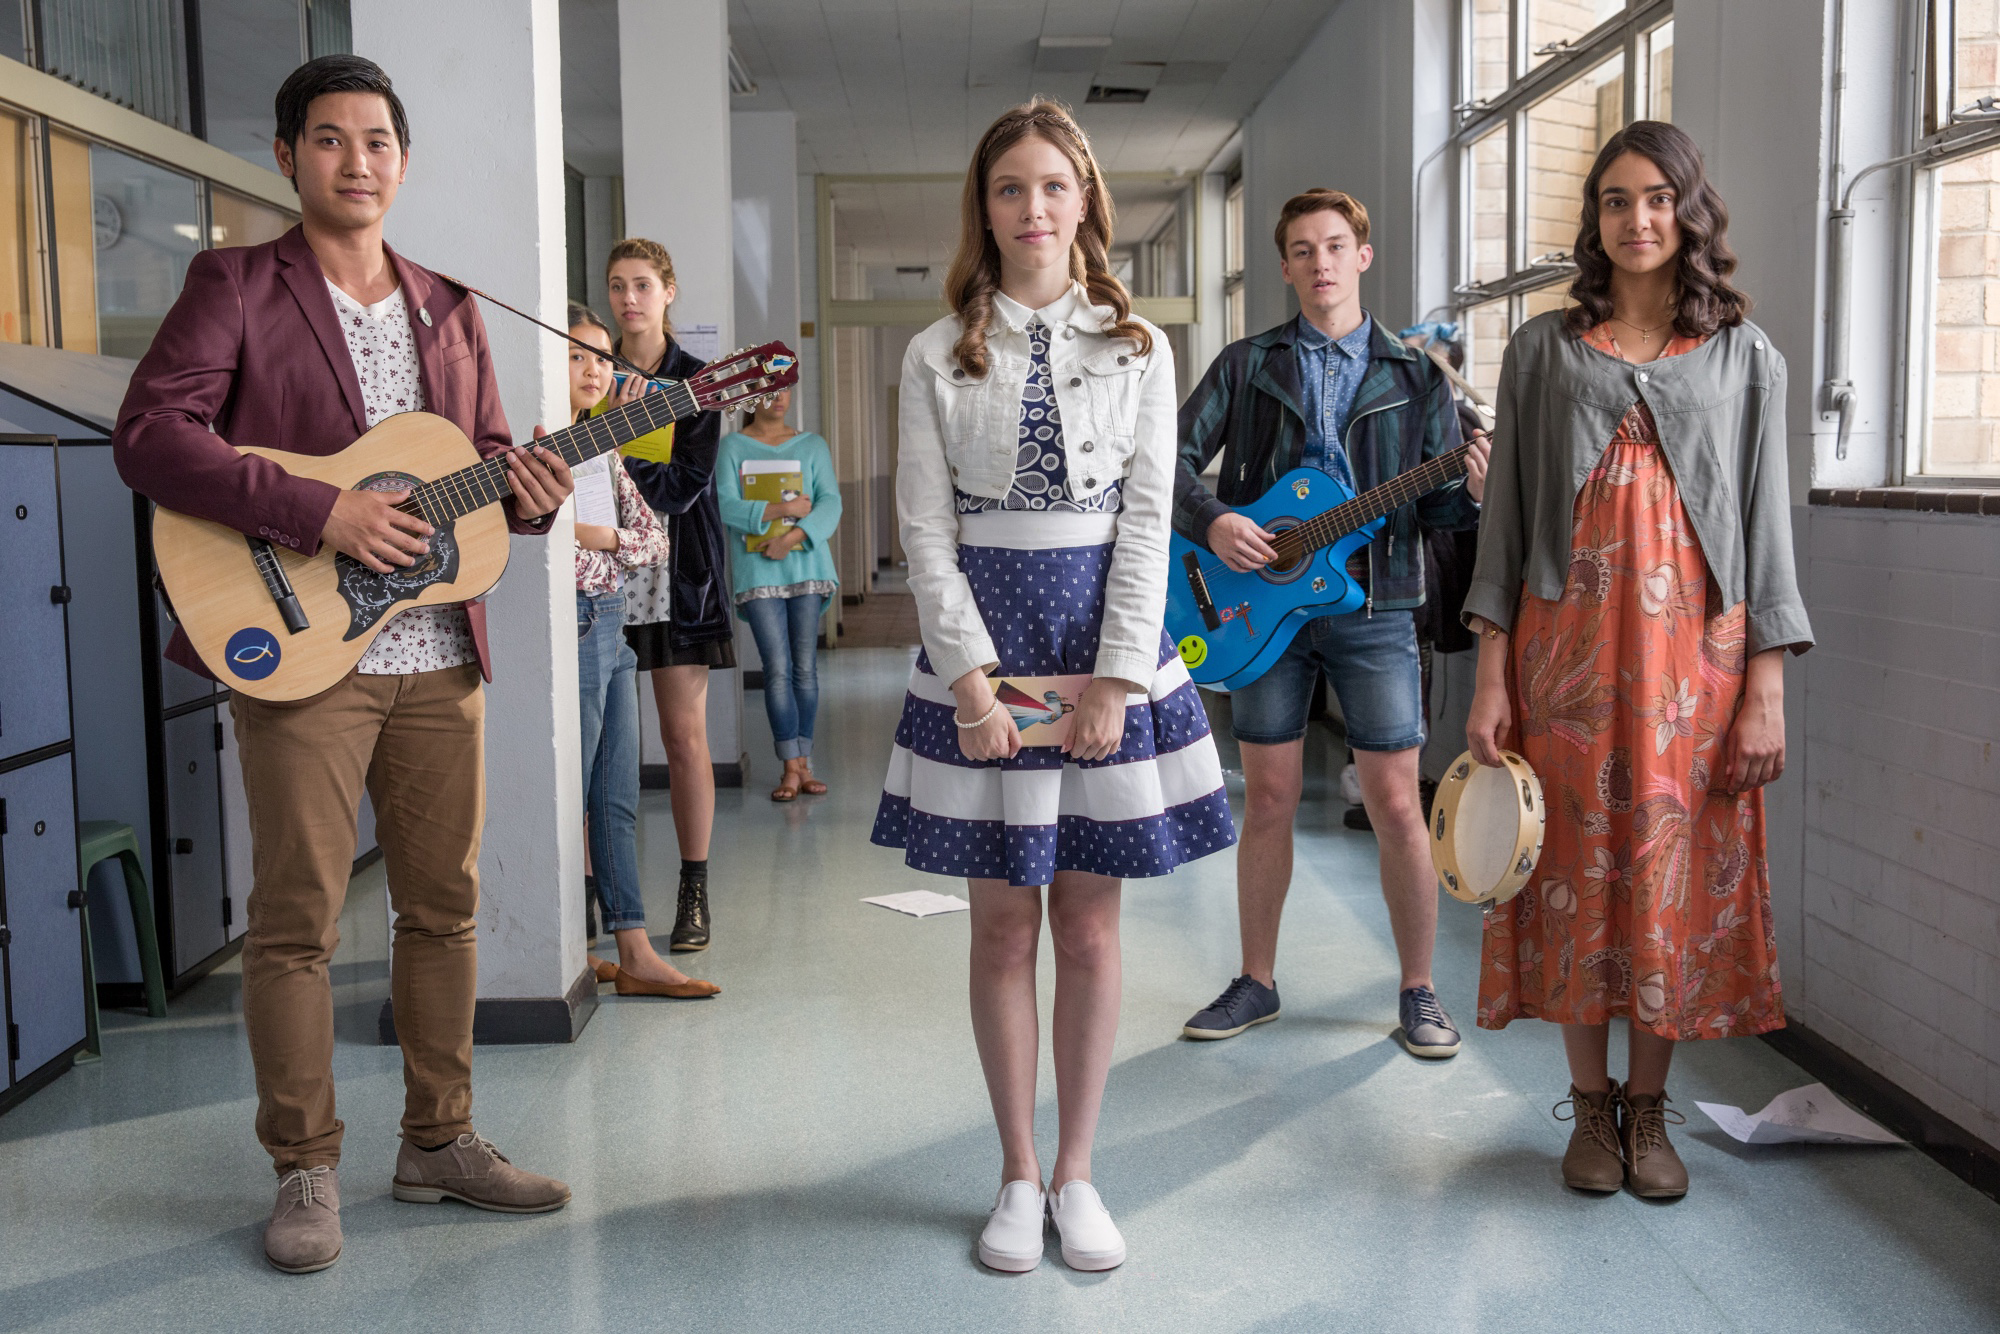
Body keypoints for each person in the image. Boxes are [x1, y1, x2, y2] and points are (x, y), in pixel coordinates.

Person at [112, 56, 575, 1275]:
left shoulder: (451, 303)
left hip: (436, 653)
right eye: (329, 139)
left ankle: (441, 1139)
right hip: (306, 649)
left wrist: (525, 494)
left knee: (443, 909)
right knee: (297, 922)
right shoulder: (234, 284)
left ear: (402, 161)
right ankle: (303, 1164)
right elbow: (151, 435)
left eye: (377, 140)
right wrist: (322, 510)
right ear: (287, 157)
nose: (356, 160)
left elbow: (466, 466)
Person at [872, 99, 1235, 1274]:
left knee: (1084, 920)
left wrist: (1117, 679)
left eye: (1052, 187)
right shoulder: (932, 352)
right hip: (985, 641)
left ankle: (1078, 1171)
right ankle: (1015, 1171)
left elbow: (1144, 526)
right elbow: (923, 533)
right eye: (1008, 188)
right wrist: (969, 682)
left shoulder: (1138, 346)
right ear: (982, 209)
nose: (1032, 209)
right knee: (995, 925)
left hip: (1099, 638)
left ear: (1084, 204)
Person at [1462, 121, 1811, 1199]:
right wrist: (1488, 671)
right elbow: (1507, 522)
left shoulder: (1744, 354)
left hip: (1692, 667)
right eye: (1615, 200)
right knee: (1565, 865)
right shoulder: (1541, 348)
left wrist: (1764, 683)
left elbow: (1763, 528)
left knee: (1664, 878)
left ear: (1688, 209)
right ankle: (1588, 1106)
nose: (1637, 218)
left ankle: (1647, 1109)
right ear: (1594, 220)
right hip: (1560, 655)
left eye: (1657, 197)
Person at [1173, 189, 1490, 1056]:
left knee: (1395, 802)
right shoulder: (1246, 366)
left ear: (1364, 256)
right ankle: (1257, 981)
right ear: (1285, 266)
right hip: (1261, 607)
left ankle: (1419, 992)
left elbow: (1446, 520)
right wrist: (1214, 523)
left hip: (1378, 607)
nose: (1321, 262)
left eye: (1336, 245)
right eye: (1303, 250)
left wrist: (1475, 487)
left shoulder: (1418, 377)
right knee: (1268, 797)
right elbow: (1160, 461)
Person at [565, 303, 721, 1000]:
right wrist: (603, 538)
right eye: (577, 356)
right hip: (569, 627)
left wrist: (599, 538)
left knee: (616, 794)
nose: (594, 369)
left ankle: (632, 946)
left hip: (610, 620)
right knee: (572, 793)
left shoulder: (601, 445)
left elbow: (650, 539)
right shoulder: (542, 443)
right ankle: (577, 941)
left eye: (602, 357)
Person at [601, 238, 728, 954]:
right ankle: (605, 896)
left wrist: (613, 460)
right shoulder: (589, 372)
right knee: (601, 748)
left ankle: (694, 889)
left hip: (678, 577)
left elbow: (685, 487)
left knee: (683, 738)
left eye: (643, 284)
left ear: (669, 291)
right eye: (618, 285)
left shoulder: (697, 383)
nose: (630, 299)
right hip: (606, 571)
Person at [715, 387, 842, 800]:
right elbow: (723, 505)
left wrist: (789, 539)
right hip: (757, 572)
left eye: (786, 387)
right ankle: (789, 765)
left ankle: (804, 764)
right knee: (777, 669)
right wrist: (781, 510)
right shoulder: (732, 447)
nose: (780, 397)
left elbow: (830, 503)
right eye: (769, 389)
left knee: (805, 668)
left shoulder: (812, 445)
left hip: (807, 566)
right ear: (750, 397)